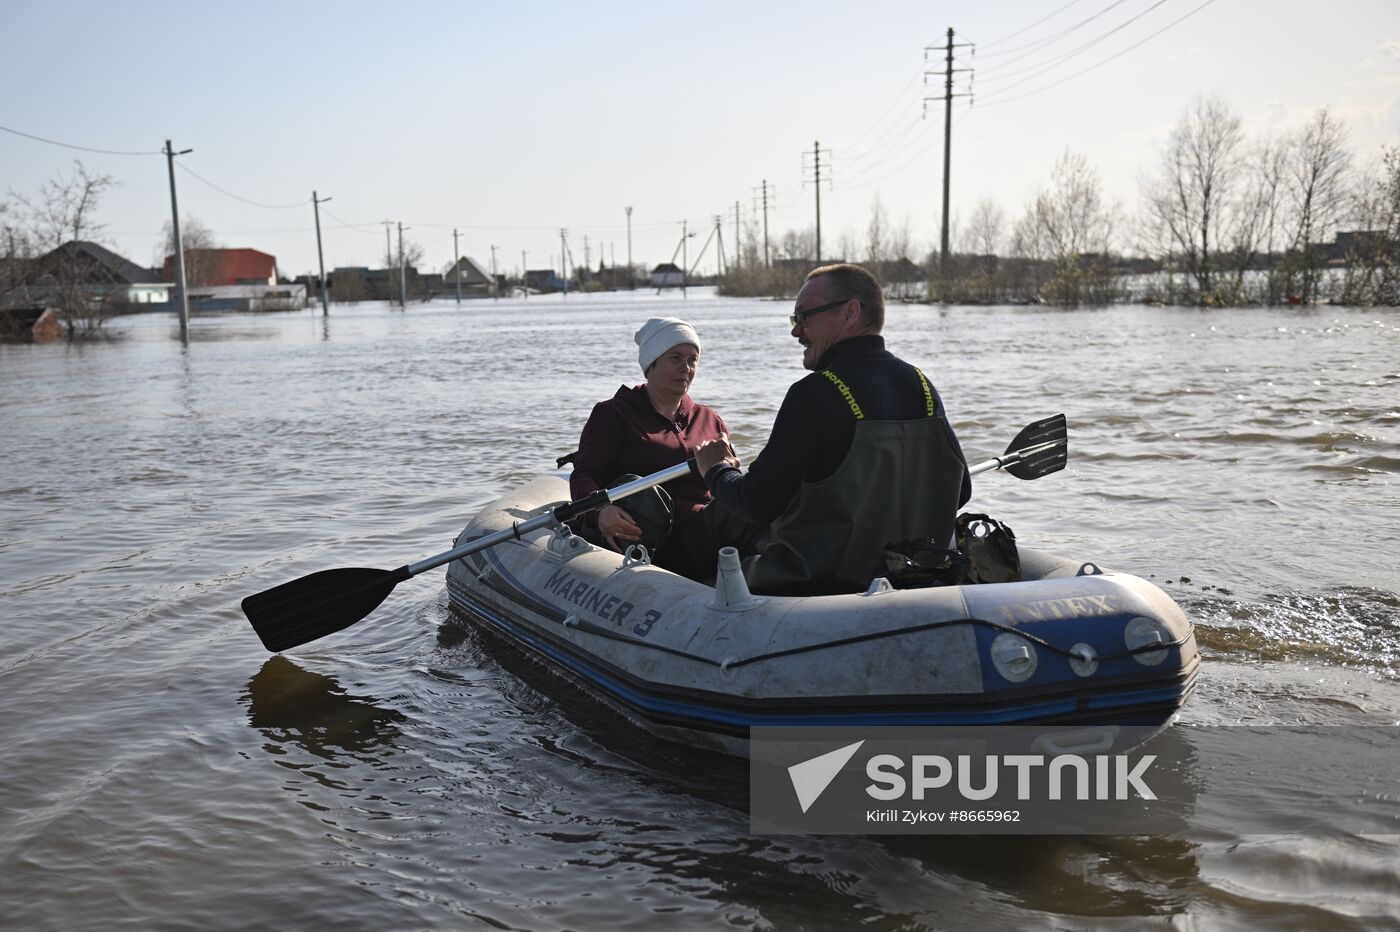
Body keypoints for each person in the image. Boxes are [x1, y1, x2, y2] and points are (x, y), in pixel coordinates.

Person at [693, 263, 971, 595]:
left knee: (722, 516)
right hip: (916, 580)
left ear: (850, 312)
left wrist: (716, 471)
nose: (796, 332)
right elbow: (961, 490)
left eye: (803, 317)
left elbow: (758, 503)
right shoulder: (921, 385)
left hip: (821, 589)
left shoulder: (814, 393)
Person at [569, 317, 732, 575]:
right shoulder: (613, 414)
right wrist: (600, 512)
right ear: (650, 365)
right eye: (675, 358)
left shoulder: (710, 419)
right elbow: (585, 474)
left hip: (703, 533)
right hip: (648, 538)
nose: (686, 368)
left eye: (693, 360)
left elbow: (727, 484)